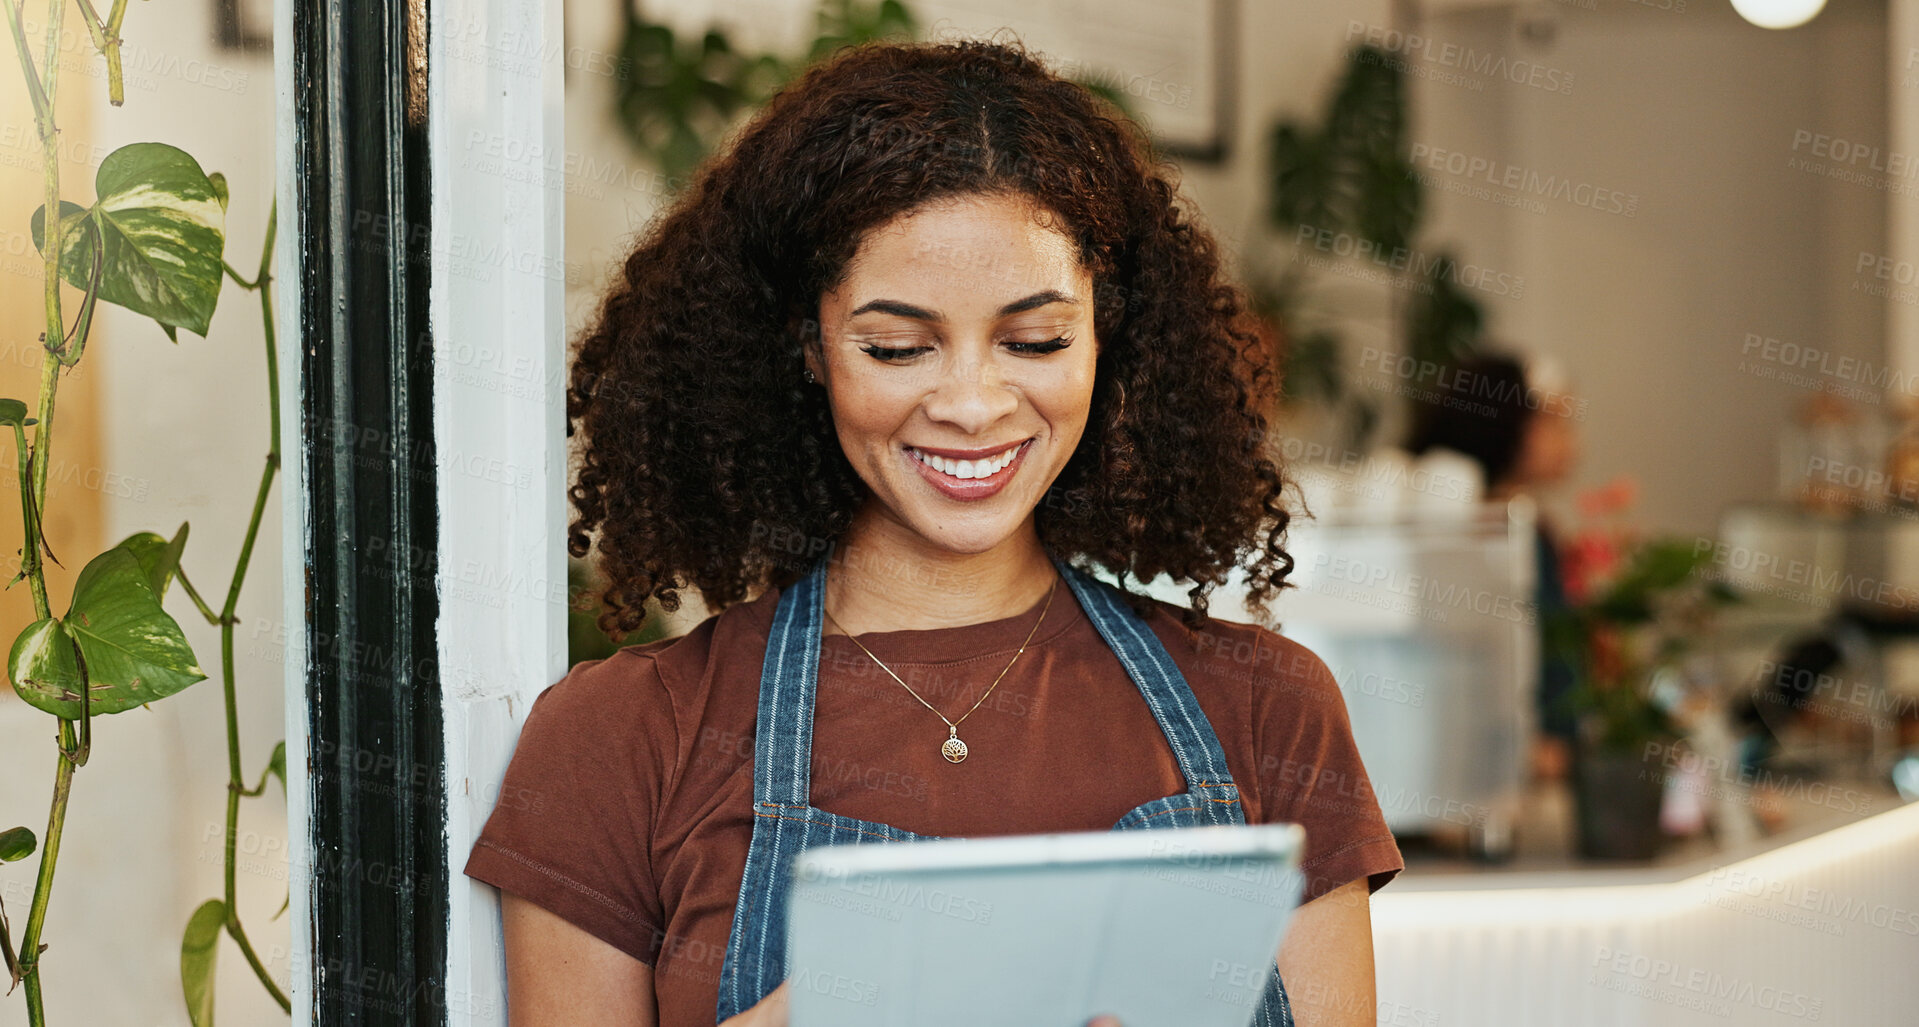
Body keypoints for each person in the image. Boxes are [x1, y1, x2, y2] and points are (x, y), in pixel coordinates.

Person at [464, 37, 1404, 1027]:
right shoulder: (620, 740)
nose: (971, 403)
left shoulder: (1269, 711)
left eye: (1034, 341)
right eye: (898, 347)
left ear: (1107, 337)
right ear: (807, 349)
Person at [1401, 350, 1581, 781]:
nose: (1572, 441)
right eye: (1555, 421)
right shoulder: (1482, 532)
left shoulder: (1528, 527)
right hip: (1475, 763)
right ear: (1508, 422)